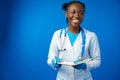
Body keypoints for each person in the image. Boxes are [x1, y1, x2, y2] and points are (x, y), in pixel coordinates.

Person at [47, 1, 101, 80]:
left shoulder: (91, 36)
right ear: (66, 14)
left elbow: (97, 61)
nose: (77, 16)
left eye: (81, 13)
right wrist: (53, 62)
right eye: (73, 12)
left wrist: (85, 65)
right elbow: (49, 59)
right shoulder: (57, 35)